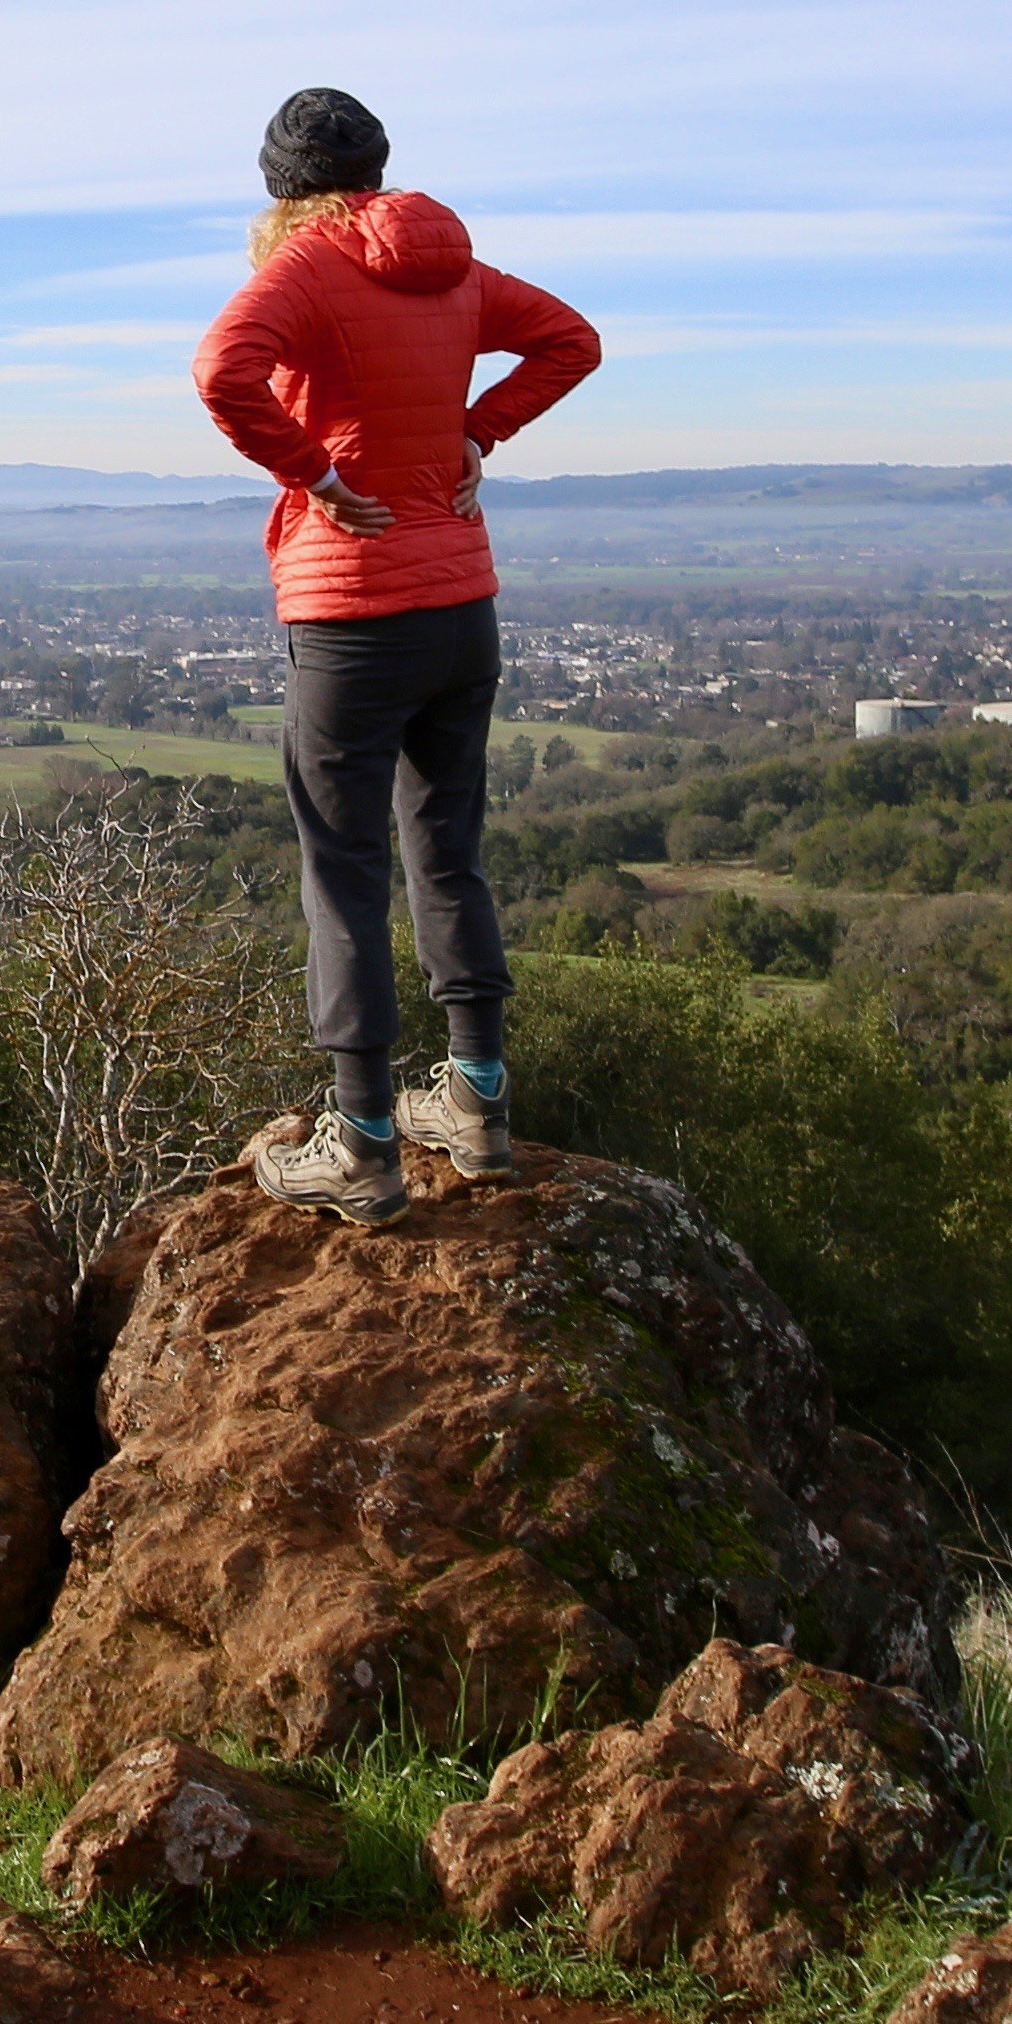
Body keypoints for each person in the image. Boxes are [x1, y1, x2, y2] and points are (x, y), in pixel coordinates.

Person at [190, 87, 601, 1223]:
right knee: (448, 853)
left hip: (352, 619)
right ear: (376, 169)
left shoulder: (307, 269)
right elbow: (573, 340)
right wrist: (477, 430)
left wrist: (313, 475)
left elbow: (222, 367)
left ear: (279, 187)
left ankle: (364, 1143)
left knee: (345, 873)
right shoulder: (455, 269)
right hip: (462, 605)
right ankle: (476, 1105)